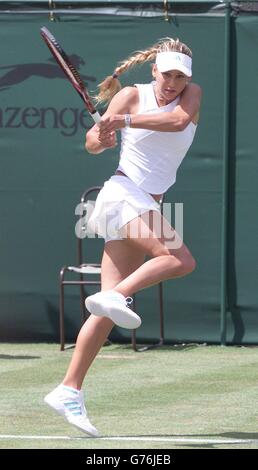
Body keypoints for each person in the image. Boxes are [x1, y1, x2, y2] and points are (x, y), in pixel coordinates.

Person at [44, 37, 202, 437]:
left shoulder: (190, 96)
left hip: (144, 203)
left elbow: (178, 122)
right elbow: (92, 144)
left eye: (180, 77)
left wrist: (123, 123)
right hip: (123, 194)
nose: (173, 83)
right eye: (167, 74)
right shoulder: (130, 95)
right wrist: (103, 136)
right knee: (180, 260)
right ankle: (117, 296)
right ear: (154, 71)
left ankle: (68, 389)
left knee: (103, 312)